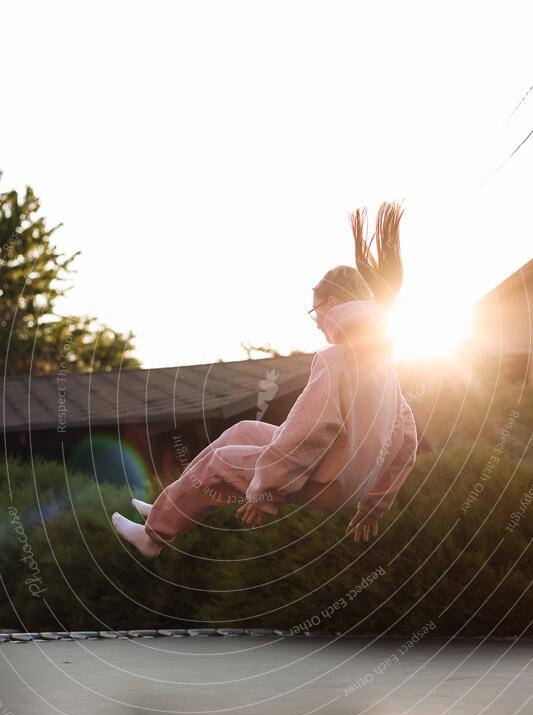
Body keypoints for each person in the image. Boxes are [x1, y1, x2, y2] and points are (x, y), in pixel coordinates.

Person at [112, 201, 418, 559]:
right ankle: (170, 506)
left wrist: (266, 494)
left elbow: (308, 433)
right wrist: (374, 505)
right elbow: (407, 444)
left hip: (329, 481)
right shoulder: (382, 363)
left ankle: (154, 536)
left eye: (315, 310)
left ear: (332, 303)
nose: (316, 320)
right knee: (242, 431)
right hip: (349, 476)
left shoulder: (338, 359)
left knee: (221, 463)